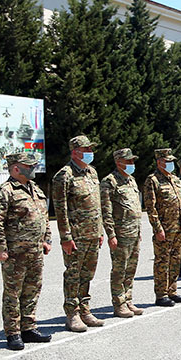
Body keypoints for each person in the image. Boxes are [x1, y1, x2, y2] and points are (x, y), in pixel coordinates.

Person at [0, 152, 52, 350]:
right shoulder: (4, 191)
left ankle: (28, 328)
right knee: (13, 294)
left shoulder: (35, 189)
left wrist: (46, 239)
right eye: (29, 166)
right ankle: (13, 333)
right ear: (16, 168)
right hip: (15, 254)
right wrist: (2, 247)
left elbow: (44, 216)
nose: (33, 169)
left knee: (32, 291)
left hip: (35, 252)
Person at [52, 135, 104, 332]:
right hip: (76, 237)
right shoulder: (64, 176)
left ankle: (85, 309)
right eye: (86, 149)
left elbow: (96, 205)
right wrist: (66, 237)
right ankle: (72, 313)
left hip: (92, 234)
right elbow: (60, 209)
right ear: (75, 152)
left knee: (87, 274)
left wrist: (100, 231)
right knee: (73, 275)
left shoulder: (92, 173)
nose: (90, 153)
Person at [99, 148, 144, 319]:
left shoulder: (131, 180)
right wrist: (111, 234)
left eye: (133, 161)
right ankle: (119, 304)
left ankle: (128, 299)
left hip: (133, 232)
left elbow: (135, 207)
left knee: (131, 269)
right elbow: (106, 210)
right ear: (119, 162)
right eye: (129, 161)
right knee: (119, 270)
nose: (132, 164)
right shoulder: (109, 182)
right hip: (121, 234)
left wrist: (139, 230)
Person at [143, 148, 181, 305]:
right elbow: (151, 208)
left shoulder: (175, 179)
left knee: (175, 260)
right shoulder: (153, 180)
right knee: (162, 261)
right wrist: (157, 229)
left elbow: (180, 204)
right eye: (167, 161)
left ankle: (172, 290)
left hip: (177, 228)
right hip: (164, 229)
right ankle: (161, 294)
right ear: (159, 162)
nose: (171, 164)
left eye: (171, 161)